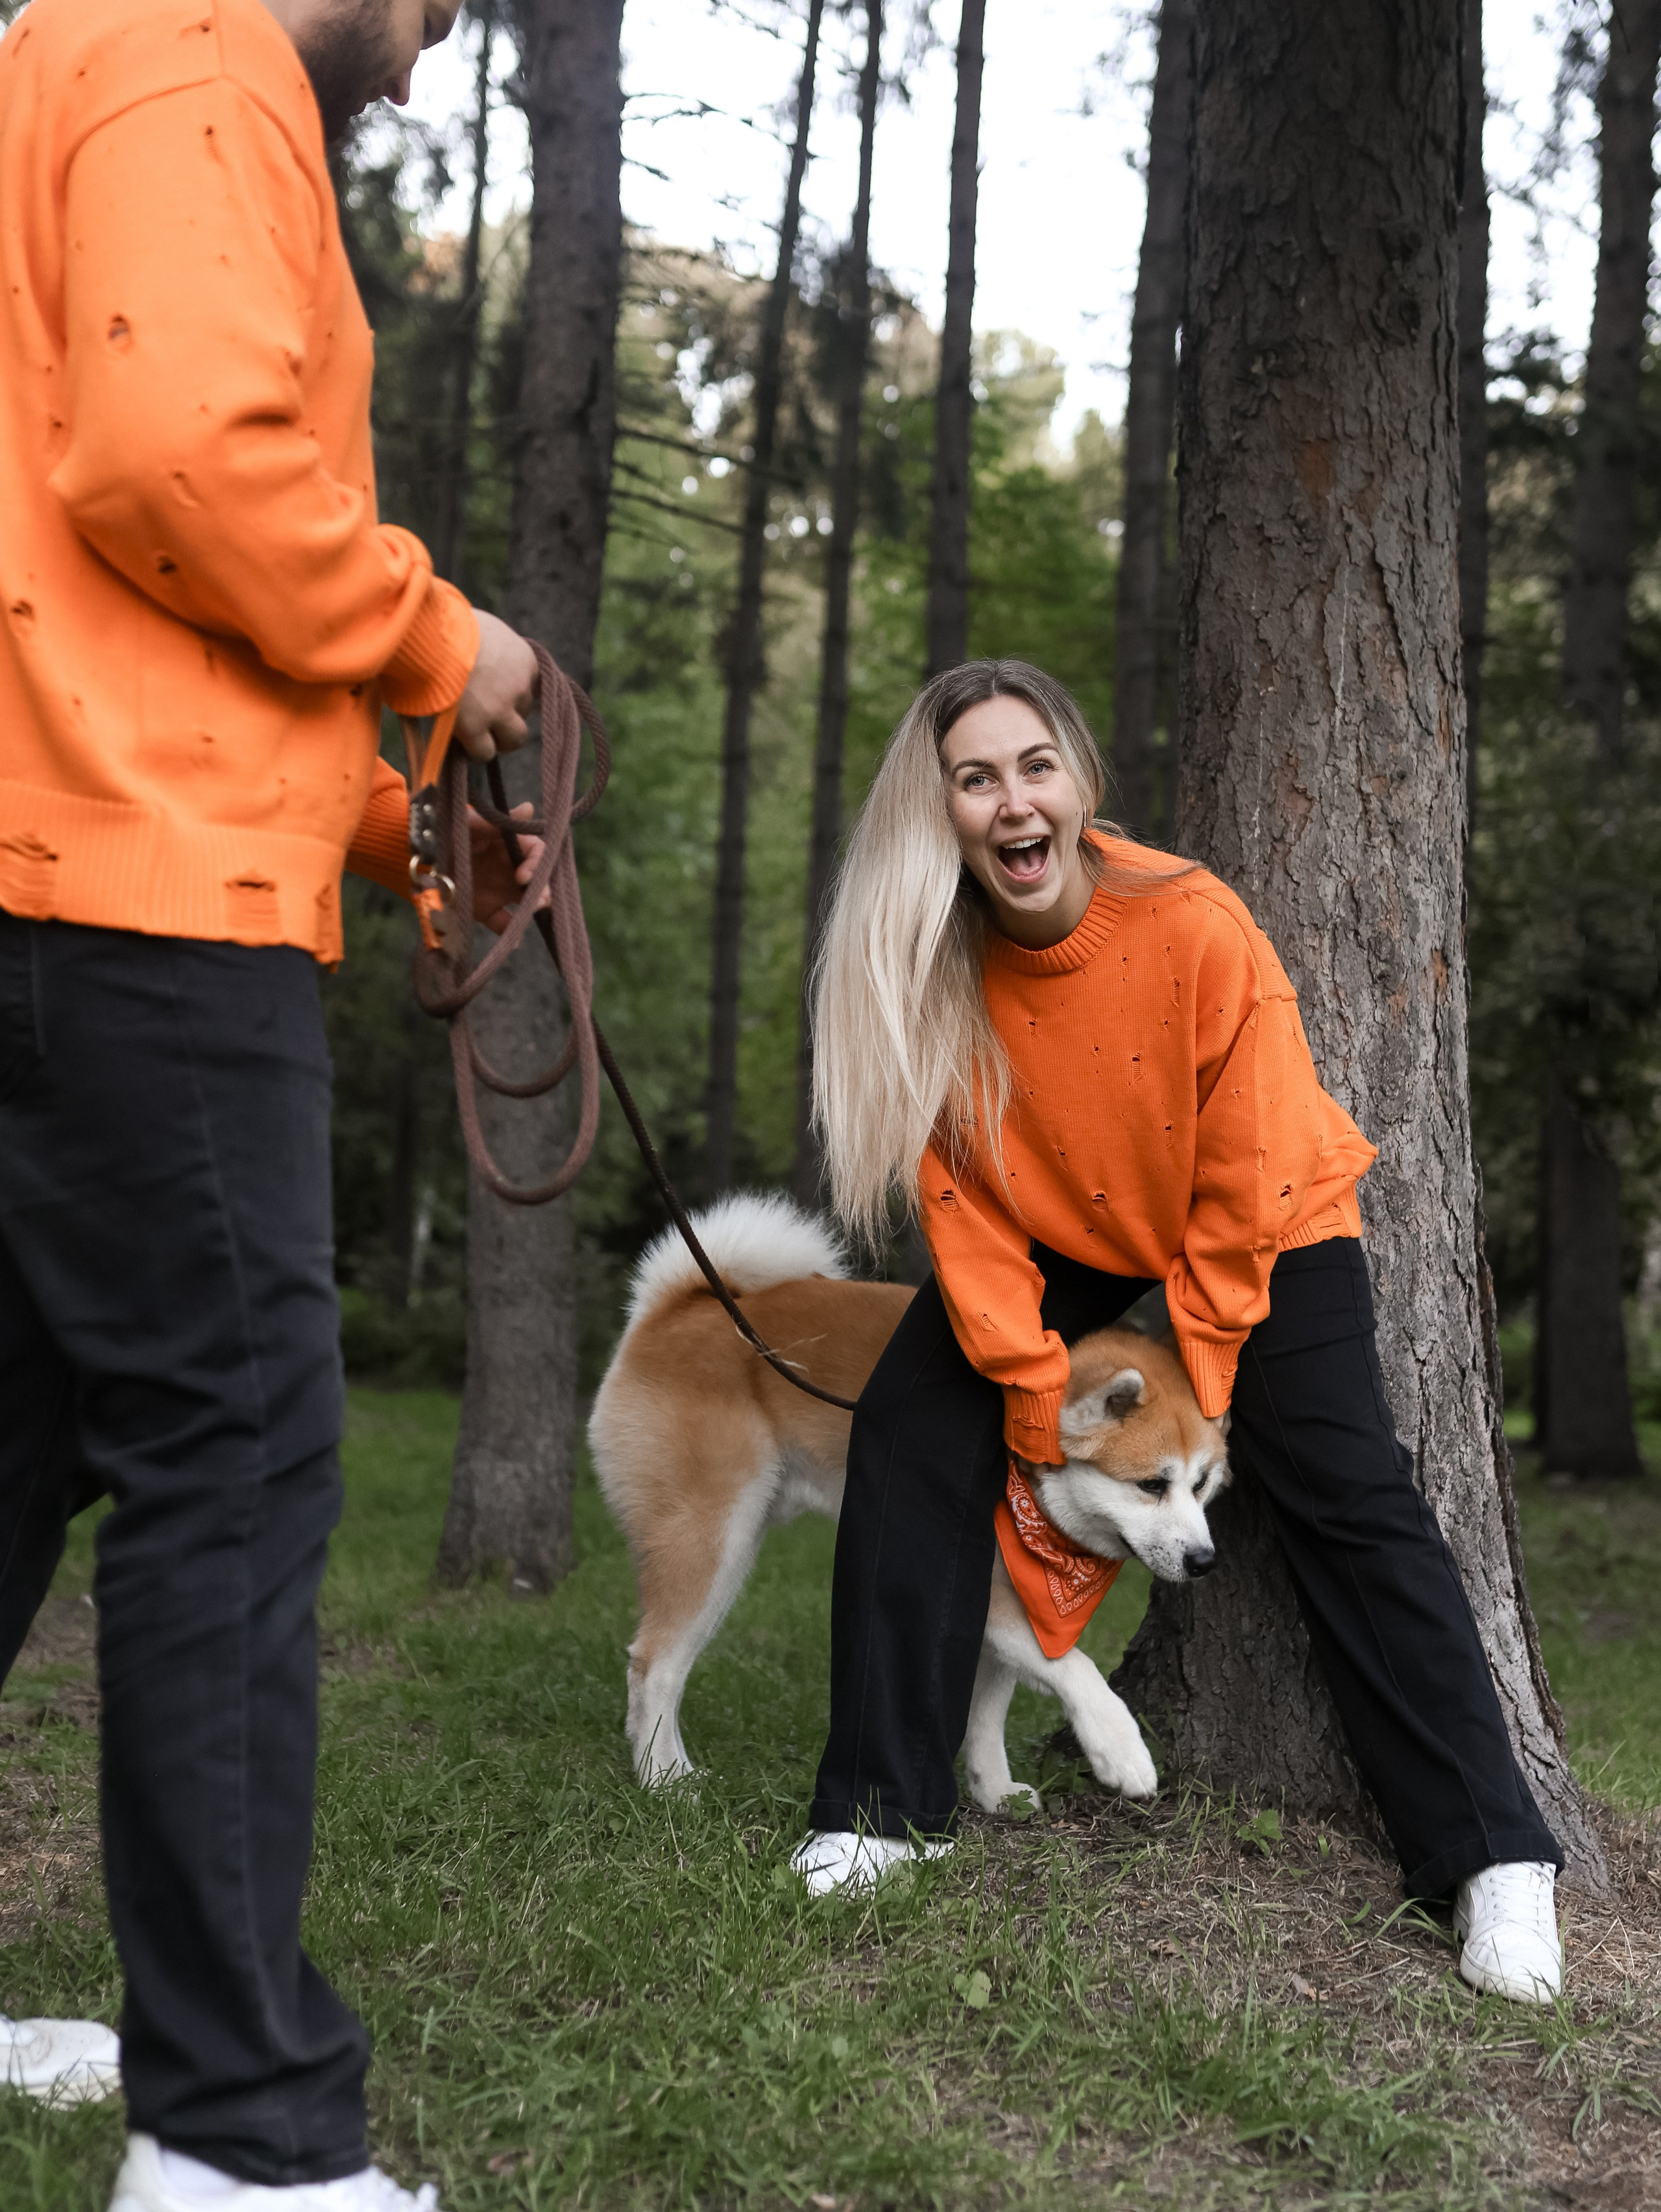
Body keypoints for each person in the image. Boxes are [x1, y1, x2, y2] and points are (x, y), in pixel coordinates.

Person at [0, 0, 546, 2202]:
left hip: (67, 862)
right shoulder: (196, 60)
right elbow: (179, 472)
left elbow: (98, 576)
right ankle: (233, 2140)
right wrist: (447, 648)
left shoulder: (71, 58)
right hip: (136, 919)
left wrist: (397, 828)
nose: (435, 46)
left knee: (27, 1441)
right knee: (232, 1467)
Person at [789, 660, 1566, 2008]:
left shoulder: (1194, 924)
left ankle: (1495, 1853)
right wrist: (1036, 1398)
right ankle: (876, 1809)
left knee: (1340, 1479)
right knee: (913, 1424)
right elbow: (961, 1211)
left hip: (1260, 1210)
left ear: (1079, 782)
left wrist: (1193, 1378)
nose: (1009, 800)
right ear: (942, 814)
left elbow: (1240, 1179)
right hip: (1060, 1218)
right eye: (973, 778)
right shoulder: (924, 965)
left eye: (1033, 765)